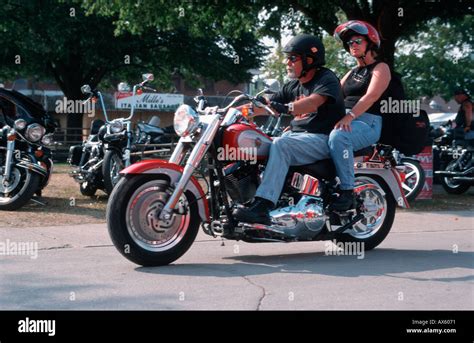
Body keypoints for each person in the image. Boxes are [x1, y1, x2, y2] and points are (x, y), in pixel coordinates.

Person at [233, 34, 346, 224]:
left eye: (293, 58)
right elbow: (267, 104)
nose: (287, 62)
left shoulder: (326, 79)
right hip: (298, 139)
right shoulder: (293, 85)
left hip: (322, 139)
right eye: (287, 58)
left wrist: (286, 108)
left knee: (281, 145)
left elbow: (313, 103)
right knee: (260, 142)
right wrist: (231, 112)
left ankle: (264, 204)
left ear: (309, 60)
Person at [329, 20, 390, 210]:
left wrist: (350, 116)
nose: (352, 46)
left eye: (357, 41)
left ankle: (347, 192)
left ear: (370, 42)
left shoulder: (380, 68)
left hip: (367, 121)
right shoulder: (351, 72)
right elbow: (331, 97)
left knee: (339, 137)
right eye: (349, 43)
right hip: (345, 119)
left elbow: (371, 96)